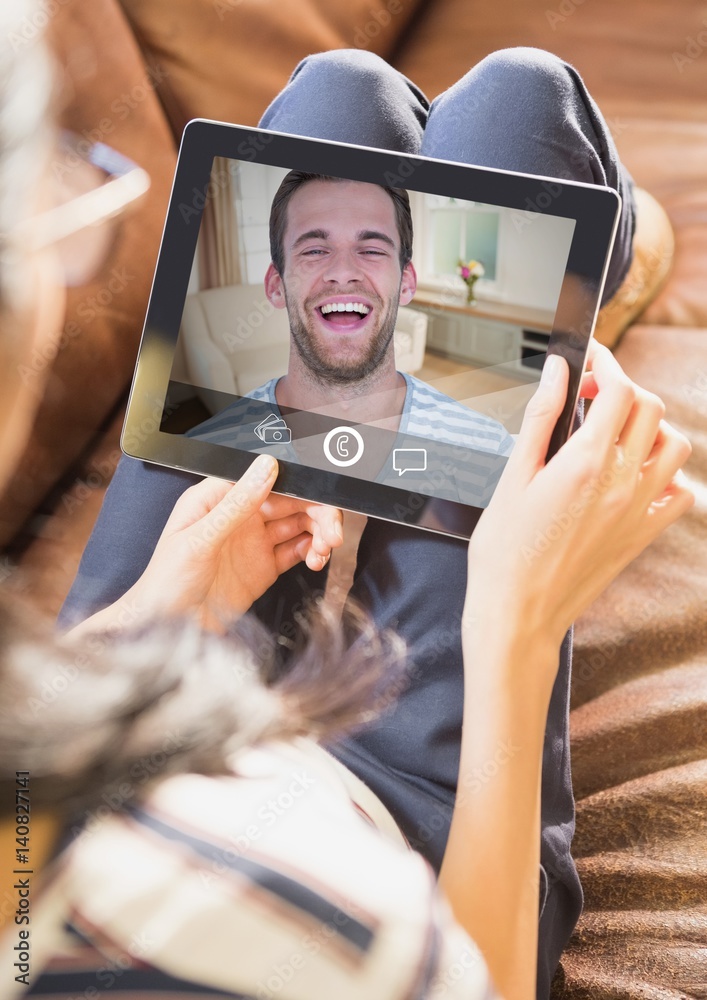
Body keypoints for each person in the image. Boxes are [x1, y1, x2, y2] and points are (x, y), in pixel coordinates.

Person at [37, 43, 691, 1000]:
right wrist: (515, 624)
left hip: (131, 728)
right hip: (419, 850)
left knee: (341, 98)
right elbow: (481, 980)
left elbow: (18, 840)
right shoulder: (365, 938)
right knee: (520, 104)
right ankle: (601, 263)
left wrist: (153, 613)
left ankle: (565, 270)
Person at [186, 171, 514, 507]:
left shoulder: (492, 456)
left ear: (406, 283)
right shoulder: (199, 460)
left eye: (371, 250)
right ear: (275, 285)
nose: (343, 272)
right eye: (314, 251)